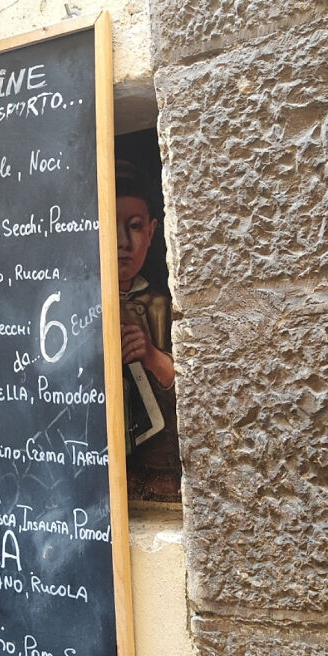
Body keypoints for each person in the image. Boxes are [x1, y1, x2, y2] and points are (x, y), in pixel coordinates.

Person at [116, 161, 180, 492]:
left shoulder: (159, 305)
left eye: (135, 226)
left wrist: (150, 354)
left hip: (158, 457)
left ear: (153, 230)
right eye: (108, 225)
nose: (121, 242)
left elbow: (183, 380)